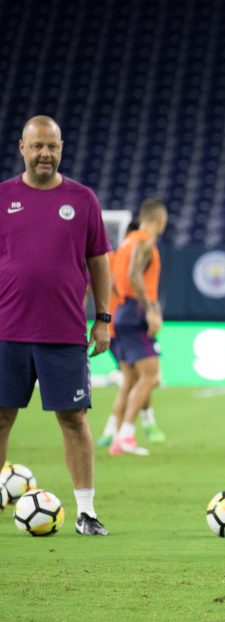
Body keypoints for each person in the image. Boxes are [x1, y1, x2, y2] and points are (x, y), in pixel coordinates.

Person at [0, 115, 111, 535]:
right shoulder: (2, 197)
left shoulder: (82, 200)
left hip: (63, 331)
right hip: (6, 330)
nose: (45, 153)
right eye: (37, 146)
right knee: (0, 417)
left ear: (61, 147)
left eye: (52, 146)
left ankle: (86, 511)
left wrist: (102, 318)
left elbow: (99, 262)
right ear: (22, 148)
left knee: (74, 419)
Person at [97, 200, 168, 456]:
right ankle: (126, 435)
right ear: (159, 218)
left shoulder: (126, 243)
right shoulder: (146, 241)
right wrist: (149, 309)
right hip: (136, 311)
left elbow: (116, 281)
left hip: (124, 311)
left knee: (130, 380)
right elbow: (136, 274)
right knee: (151, 377)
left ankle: (114, 433)